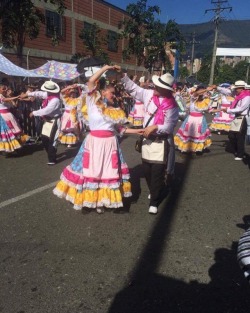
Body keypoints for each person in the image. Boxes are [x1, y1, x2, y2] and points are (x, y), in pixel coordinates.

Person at [53, 65, 143, 213]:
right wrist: (105, 68)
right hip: (94, 143)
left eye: (115, 93)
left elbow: (120, 129)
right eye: (112, 93)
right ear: (103, 92)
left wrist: (137, 131)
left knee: (107, 172)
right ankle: (91, 200)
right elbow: (91, 82)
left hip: (110, 144)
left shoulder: (115, 111)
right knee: (92, 171)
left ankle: (101, 200)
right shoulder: (92, 102)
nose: (114, 95)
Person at [121, 72, 179, 214]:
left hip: (161, 142)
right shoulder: (148, 95)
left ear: (166, 90)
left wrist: (156, 127)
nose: (155, 86)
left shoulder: (172, 105)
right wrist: (122, 76)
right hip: (147, 141)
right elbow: (133, 89)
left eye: (158, 86)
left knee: (157, 172)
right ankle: (155, 190)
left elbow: (169, 127)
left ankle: (154, 201)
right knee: (147, 171)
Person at [19, 80, 62, 165]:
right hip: (47, 121)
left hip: (54, 121)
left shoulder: (55, 100)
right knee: (44, 138)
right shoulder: (48, 95)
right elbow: (38, 93)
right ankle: (51, 153)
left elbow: (47, 110)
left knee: (52, 140)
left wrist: (34, 112)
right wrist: (27, 94)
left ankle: (52, 159)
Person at [174, 85, 212, 154]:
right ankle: (186, 148)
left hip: (200, 119)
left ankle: (197, 148)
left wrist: (222, 109)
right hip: (190, 119)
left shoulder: (206, 100)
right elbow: (196, 94)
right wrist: (206, 89)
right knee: (188, 134)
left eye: (202, 91)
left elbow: (210, 110)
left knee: (198, 135)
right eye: (200, 91)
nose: (201, 92)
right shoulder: (193, 98)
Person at [221, 80, 250, 160]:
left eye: (237, 88)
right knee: (231, 135)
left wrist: (228, 110)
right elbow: (227, 92)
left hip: (242, 117)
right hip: (236, 117)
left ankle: (240, 154)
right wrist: (217, 88)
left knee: (240, 137)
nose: (235, 90)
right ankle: (238, 150)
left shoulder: (247, 97)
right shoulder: (238, 96)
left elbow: (241, 108)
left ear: (241, 88)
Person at [0, 84, 29, 154]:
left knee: (14, 131)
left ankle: (16, 146)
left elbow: (14, 105)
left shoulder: (5, 96)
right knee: (8, 132)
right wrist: (15, 97)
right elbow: (4, 100)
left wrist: (11, 96)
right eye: (3, 89)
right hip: (3, 116)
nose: (5, 90)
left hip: (8, 115)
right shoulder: (1, 96)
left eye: (6, 88)